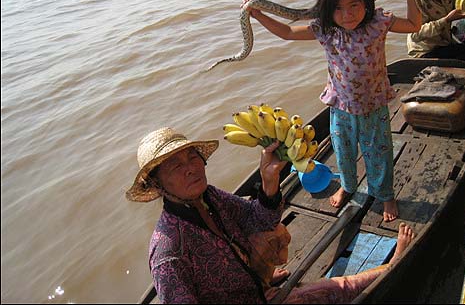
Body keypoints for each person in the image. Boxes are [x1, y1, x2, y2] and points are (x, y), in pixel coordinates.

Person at [126, 126, 416, 303]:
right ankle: (393, 266)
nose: (191, 167)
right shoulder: (168, 252)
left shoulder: (209, 196)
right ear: (157, 185)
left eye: (192, 157)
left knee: (276, 237)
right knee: (343, 287)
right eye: (175, 166)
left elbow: (261, 220)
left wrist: (268, 183)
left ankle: (263, 279)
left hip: (254, 290)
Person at [242, 0, 422, 222]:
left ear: (366, 1)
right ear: (327, 8)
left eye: (353, 5)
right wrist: (257, 15)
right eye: (337, 8)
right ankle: (348, 187)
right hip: (341, 107)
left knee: (379, 153)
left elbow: (415, 24)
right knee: (343, 152)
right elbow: (287, 32)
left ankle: (385, 194)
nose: (346, 14)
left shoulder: (378, 23)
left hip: (374, 105)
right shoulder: (326, 30)